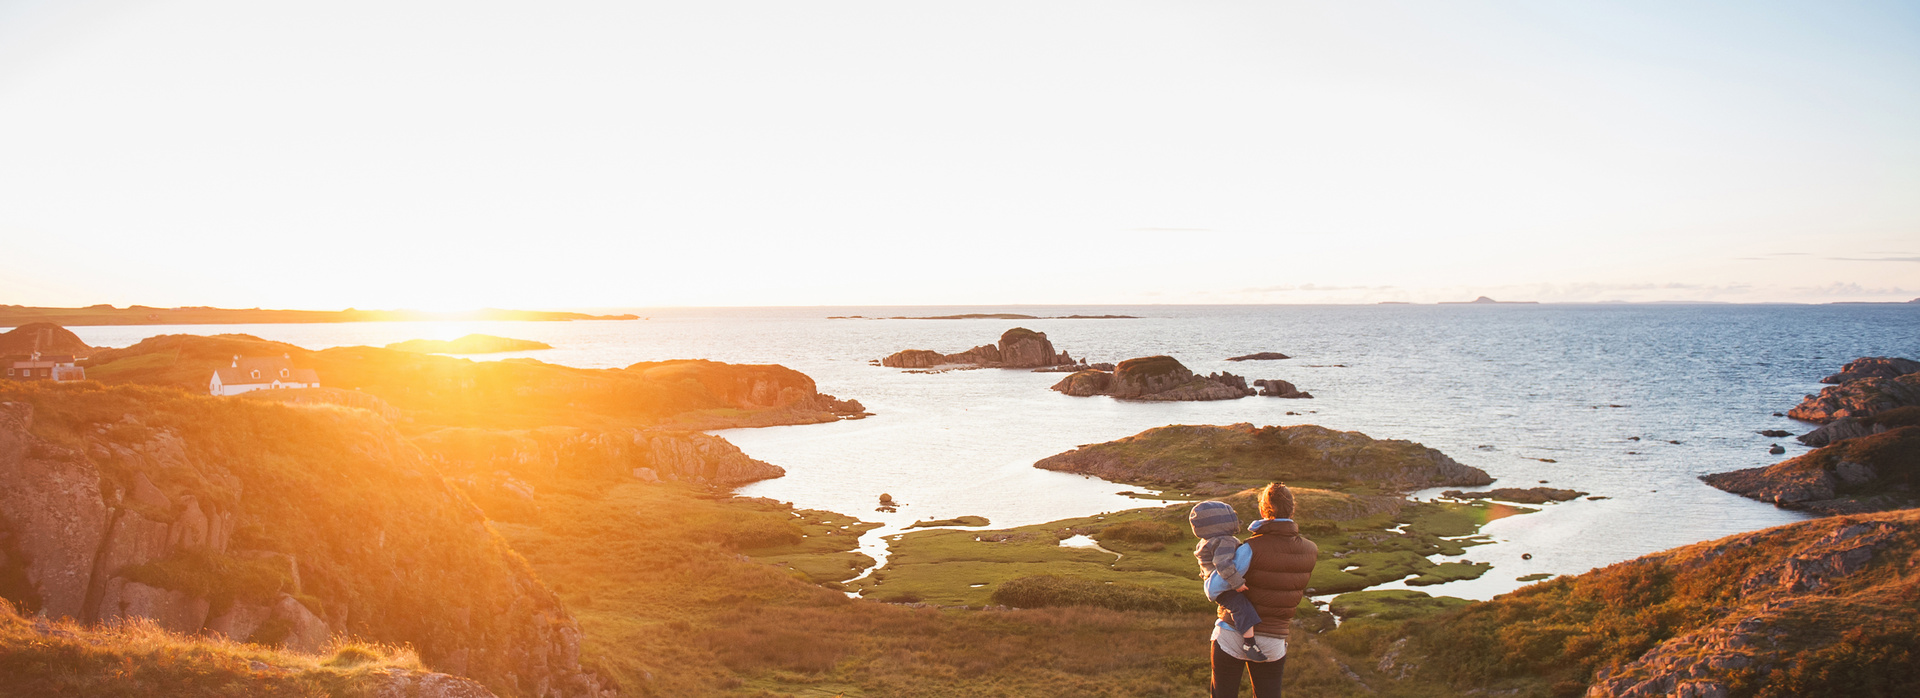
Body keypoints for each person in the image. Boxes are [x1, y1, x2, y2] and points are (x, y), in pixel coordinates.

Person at [1209, 482, 1319, 698]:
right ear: (1292, 509)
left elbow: (1215, 588)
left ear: (1263, 510)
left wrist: (1208, 573)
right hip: (1274, 639)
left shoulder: (1251, 547)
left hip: (1233, 634)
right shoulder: (1310, 550)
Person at [1188, 500, 1266, 661]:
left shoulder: (1207, 540)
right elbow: (1223, 563)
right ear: (1222, 522)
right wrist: (1237, 583)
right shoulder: (1224, 541)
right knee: (1242, 607)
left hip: (1215, 582)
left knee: (1239, 606)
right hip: (1224, 586)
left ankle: (1248, 640)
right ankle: (1249, 643)